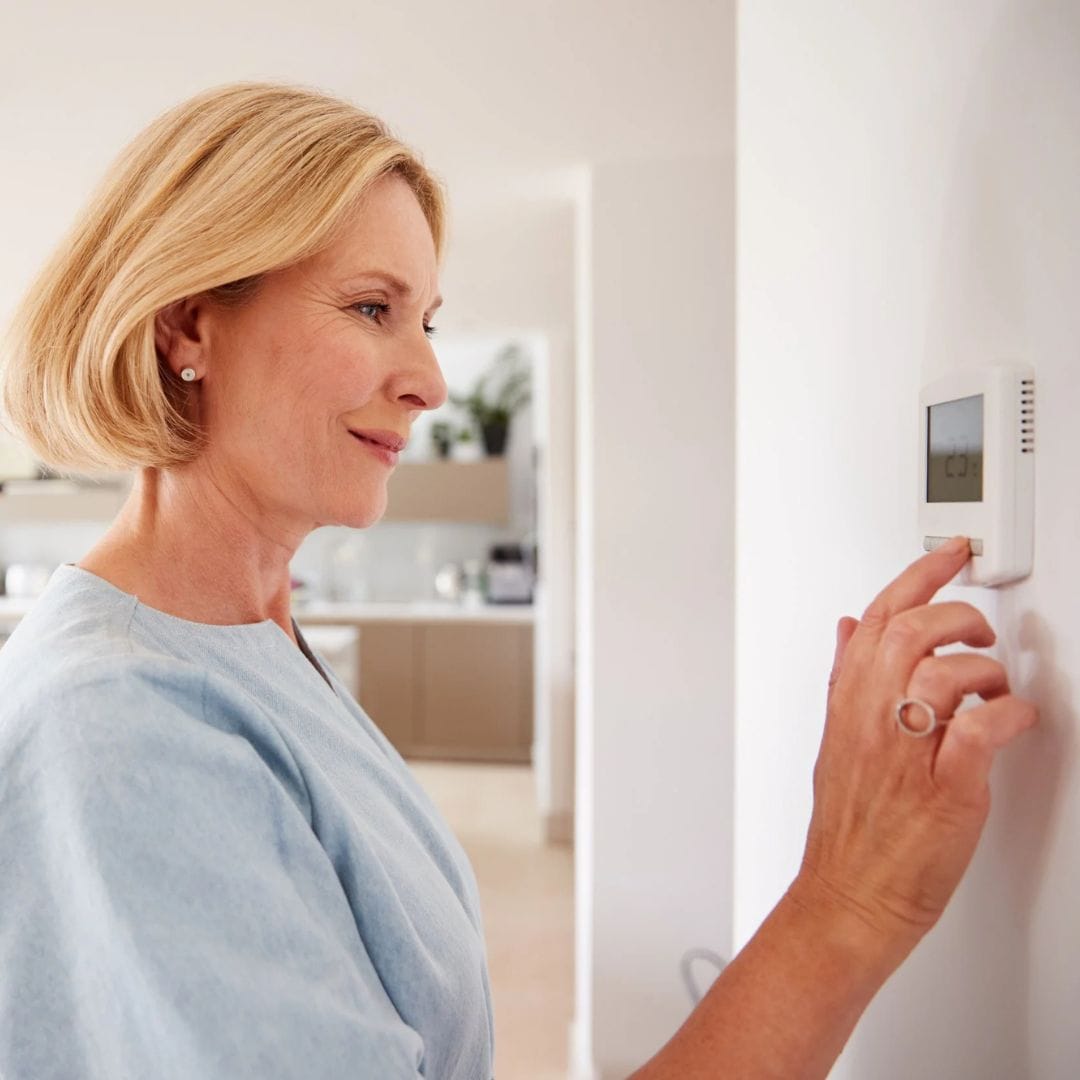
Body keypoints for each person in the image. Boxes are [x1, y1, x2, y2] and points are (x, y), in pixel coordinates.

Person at [0, 83, 1036, 1080]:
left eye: (427, 321)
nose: (431, 380)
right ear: (187, 327)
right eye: (371, 308)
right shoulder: (123, 726)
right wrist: (846, 906)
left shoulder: (247, 637)